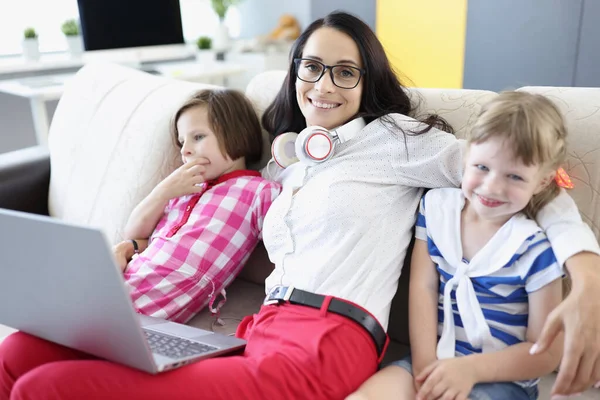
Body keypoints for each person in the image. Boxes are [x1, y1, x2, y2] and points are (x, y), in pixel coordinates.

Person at [0, 11, 598, 400]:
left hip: (329, 340)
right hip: (258, 330)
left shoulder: (396, 140)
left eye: (345, 72)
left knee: (49, 388)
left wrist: (588, 279)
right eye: (312, 67)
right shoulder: (283, 164)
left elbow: (522, 173)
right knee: (20, 351)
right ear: (295, 74)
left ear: (366, 84)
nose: (325, 85)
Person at [347, 91, 569, 400]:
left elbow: (545, 354)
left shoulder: (536, 249)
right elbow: (423, 287)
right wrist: (426, 366)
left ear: (543, 182)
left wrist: (471, 371)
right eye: (482, 167)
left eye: (515, 176)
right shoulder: (436, 209)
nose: (492, 186)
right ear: (466, 157)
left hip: (502, 380)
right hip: (432, 359)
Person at [111, 88, 281, 323]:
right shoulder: (184, 188)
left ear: (236, 133)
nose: (185, 150)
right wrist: (163, 191)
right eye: (182, 142)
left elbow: (290, 246)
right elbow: (137, 235)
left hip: (139, 314)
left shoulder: (258, 192)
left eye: (198, 137)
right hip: (119, 287)